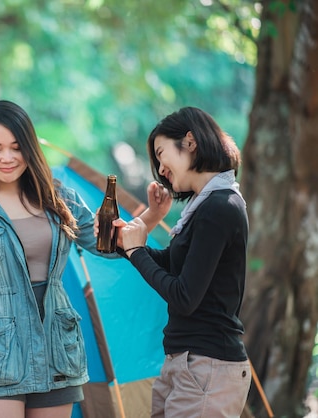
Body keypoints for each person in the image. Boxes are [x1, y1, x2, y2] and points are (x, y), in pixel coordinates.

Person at [0, 100, 166, 418]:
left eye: (16, 147)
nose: (7, 158)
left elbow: (106, 245)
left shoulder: (58, 198)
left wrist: (153, 215)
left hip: (56, 345)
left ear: (29, 147)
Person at [115, 106, 252, 417]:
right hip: (186, 362)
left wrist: (137, 252)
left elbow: (184, 296)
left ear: (190, 141)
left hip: (208, 366)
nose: (160, 168)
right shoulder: (204, 206)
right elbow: (172, 265)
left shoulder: (220, 206)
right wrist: (126, 243)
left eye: (161, 153)